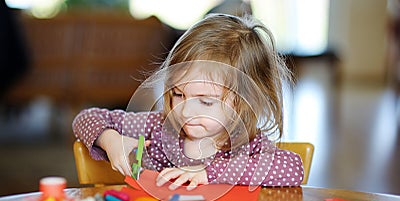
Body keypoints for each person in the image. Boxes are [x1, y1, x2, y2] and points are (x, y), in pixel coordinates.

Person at [72, 13, 304, 191]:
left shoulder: (247, 144)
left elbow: (293, 168)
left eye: (205, 102)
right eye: (178, 94)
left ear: (245, 103)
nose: (185, 112)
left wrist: (210, 173)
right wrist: (110, 139)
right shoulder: (159, 128)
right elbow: (86, 118)